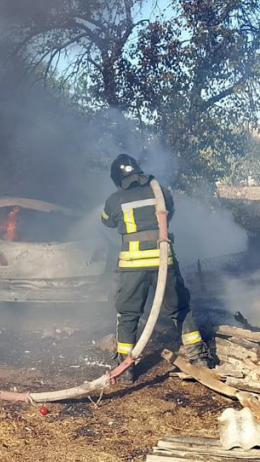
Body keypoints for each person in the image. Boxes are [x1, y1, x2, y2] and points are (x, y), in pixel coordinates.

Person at [101, 154, 214, 384]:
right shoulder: (158, 190)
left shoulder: (115, 199)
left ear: (116, 179)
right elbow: (169, 210)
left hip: (133, 266)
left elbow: (106, 221)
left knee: (129, 315)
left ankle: (126, 369)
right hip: (164, 261)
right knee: (180, 309)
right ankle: (199, 357)